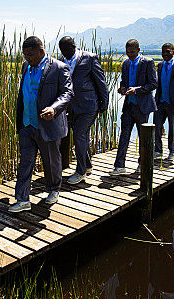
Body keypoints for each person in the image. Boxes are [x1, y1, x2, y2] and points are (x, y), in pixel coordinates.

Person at [10, 36, 73, 212]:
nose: (27, 58)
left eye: (30, 54)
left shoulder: (59, 67)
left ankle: (54, 189)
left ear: (41, 51)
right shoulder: (26, 66)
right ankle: (22, 200)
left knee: (51, 161)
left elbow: (67, 93)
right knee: (25, 162)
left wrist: (54, 109)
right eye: (25, 55)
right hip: (27, 124)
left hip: (47, 124)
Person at [58, 36, 110, 184]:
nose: (66, 53)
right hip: (71, 107)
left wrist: (104, 104)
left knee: (80, 134)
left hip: (89, 105)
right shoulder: (61, 60)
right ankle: (87, 166)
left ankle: (80, 172)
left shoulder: (90, 58)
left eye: (68, 50)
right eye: (63, 50)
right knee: (82, 135)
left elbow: (101, 82)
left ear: (74, 46)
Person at [111, 39, 157, 175]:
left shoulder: (148, 62)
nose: (129, 55)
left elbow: (153, 84)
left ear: (138, 50)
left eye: (132, 52)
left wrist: (136, 90)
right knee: (124, 136)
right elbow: (123, 81)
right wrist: (122, 88)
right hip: (128, 106)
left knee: (143, 137)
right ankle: (119, 166)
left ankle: (143, 164)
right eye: (127, 52)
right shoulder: (125, 64)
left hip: (142, 106)